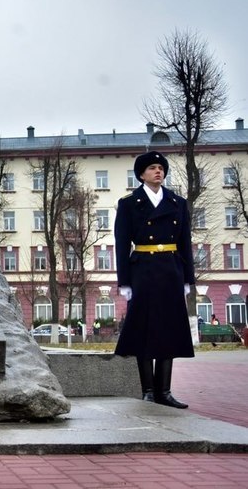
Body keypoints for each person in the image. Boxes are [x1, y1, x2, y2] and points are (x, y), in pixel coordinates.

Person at [114, 151, 194, 409]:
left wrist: (187, 278)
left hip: (171, 269)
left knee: (169, 329)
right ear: (141, 174)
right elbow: (121, 243)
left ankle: (165, 391)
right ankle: (148, 390)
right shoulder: (129, 203)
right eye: (152, 168)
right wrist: (124, 282)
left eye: (161, 167)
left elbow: (185, 243)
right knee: (145, 330)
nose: (158, 171)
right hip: (143, 270)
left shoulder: (177, 203)